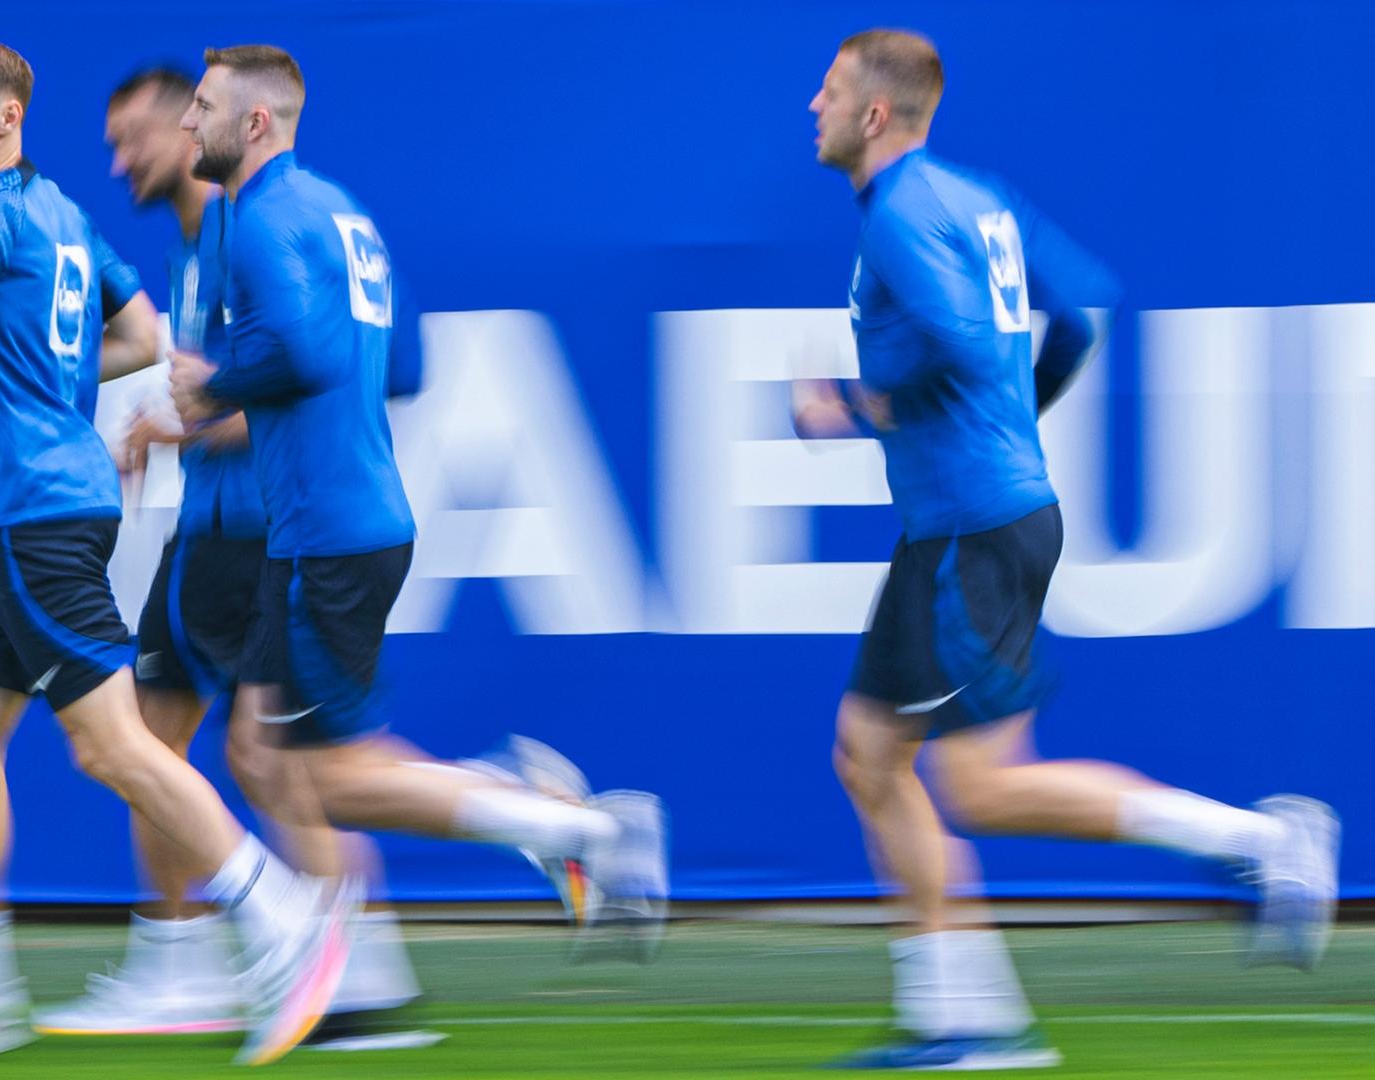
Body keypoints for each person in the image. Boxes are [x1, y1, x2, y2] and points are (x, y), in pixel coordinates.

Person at [0, 40, 351, 1067]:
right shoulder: (58, 215)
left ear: (9, 119)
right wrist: (50, 379)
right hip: (27, 512)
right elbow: (141, 336)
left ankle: (281, 918)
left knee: (114, 747)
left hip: (39, 517)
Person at [797, 28, 1340, 1070]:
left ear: (873, 114)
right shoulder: (973, 195)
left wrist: (857, 404)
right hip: (966, 522)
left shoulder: (905, 213)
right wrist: (1015, 418)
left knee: (990, 787)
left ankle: (1264, 844)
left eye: (824, 93)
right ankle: (965, 1017)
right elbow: (1080, 311)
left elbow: (955, 338)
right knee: (869, 756)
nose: (808, 109)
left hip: (971, 530)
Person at [167, 44, 671, 960]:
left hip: (327, 532)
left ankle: (575, 830)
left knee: (322, 778)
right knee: (270, 757)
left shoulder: (258, 219)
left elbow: (304, 354)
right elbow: (401, 364)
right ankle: (358, 976)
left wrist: (213, 383)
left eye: (200, 107)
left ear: (255, 124)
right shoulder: (339, 210)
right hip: (344, 522)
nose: (184, 124)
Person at [30, 65, 435, 1049]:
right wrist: (175, 419)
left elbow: (381, 365)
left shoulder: (255, 224)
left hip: (266, 529)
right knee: (167, 743)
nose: (120, 159)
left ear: (197, 128)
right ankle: (203, 963)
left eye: (139, 135)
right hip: (211, 530)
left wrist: (208, 413)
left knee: (264, 760)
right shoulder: (216, 230)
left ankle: (349, 968)